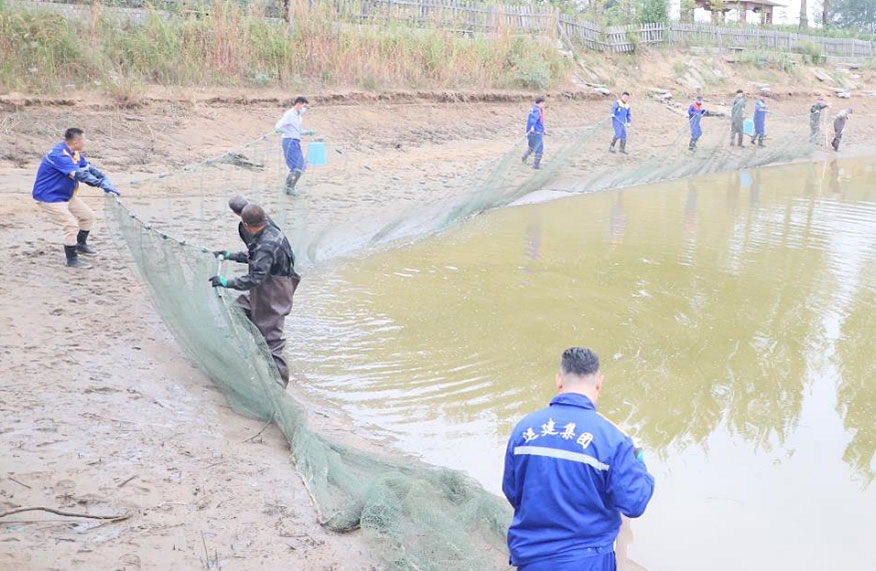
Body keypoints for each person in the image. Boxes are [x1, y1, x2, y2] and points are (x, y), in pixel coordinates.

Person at [502, 347, 655, 571]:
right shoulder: (614, 439)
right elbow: (634, 503)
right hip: (588, 560)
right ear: (599, 382)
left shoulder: (525, 429)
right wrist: (638, 459)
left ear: (559, 380)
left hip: (532, 558)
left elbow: (513, 491)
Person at [210, 204, 301, 386]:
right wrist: (230, 255)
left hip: (275, 295)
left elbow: (255, 278)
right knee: (237, 309)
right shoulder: (270, 231)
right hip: (263, 289)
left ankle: (279, 386)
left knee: (272, 343)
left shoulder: (266, 244)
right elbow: (256, 256)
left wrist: (227, 282)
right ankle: (254, 346)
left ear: (245, 224)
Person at [32, 127, 120, 269]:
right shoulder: (59, 155)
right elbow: (79, 174)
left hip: (66, 194)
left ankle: (80, 245)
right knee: (71, 225)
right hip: (49, 197)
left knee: (88, 216)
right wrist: (100, 184)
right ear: (76, 142)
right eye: (84, 140)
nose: (85, 142)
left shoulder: (73, 152)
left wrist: (102, 176)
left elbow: (87, 167)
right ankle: (72, 259)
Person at [275, 95, 315, 194]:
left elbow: (298, 130)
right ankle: (289, 188)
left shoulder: (298, 117)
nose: (304, 109)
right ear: (298, 104)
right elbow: (279, 124)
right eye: (304, 106)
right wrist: (277, 128)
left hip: (296, 141)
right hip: (289, 141)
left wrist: (307, 132)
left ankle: (289, 187)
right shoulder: (289, 114)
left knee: (301, 165)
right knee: (297, 166)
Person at [521, 96, 546, 170]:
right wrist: (533, 128)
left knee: (531, 147)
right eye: (544, 103)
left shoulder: (534, 109)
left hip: (532, 132)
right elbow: (533, 120)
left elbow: (540, 121)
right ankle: (536, 165)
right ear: (541, 103)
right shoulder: (537, 110)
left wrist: (544, 129)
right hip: (535, 132)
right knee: (539, 148)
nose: (544, 105)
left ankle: (524, 157)